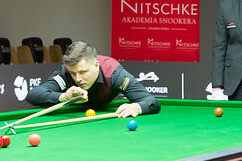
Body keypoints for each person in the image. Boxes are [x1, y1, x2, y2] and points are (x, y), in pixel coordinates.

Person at [27, 41, 158, 118]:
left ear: (96, 65)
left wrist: (137, 107)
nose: (78, 78)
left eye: (83, 72)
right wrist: (64, 97)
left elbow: (151, 101)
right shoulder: (65, 72)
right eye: (74, 73)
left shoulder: (113, 73)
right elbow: (33, 95)